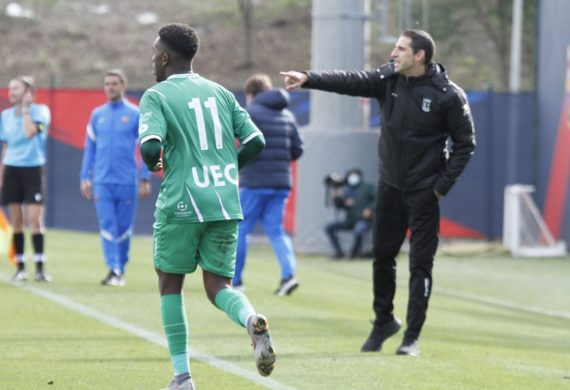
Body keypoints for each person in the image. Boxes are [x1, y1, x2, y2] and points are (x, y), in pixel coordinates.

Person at [282, 29, 476, 356]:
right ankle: (383, 321)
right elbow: (350, 80)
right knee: (382, 257)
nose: (393, 54)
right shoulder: (388, 80)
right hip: (390, 186)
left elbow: (465, 146)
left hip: (425, 192)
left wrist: (440, 187)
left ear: (420, 56)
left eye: (401, 49)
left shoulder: (448, 95)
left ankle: (411, 337)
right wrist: (308, 77)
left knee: (420, 265)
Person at [138, 23, 275, 389]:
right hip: (225, 201)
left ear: (165, 57)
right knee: (218, 286)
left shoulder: (156, 95)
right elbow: (256, 141)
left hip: (182, 201)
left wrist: (153, 164)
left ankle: (182, 376)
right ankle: (250, 320)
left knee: (170, 283)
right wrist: (228, 168)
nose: (152, 59)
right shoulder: (222, 93)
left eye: (154, 52)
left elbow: (151, 147)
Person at [232, 73, 303, 296]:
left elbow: (239, 143)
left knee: (240, 229)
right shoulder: (288, 115)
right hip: (281, 182)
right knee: (276, 231)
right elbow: (297, 150)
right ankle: (288, 275)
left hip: (254, 181)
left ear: (251, 94)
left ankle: (235, 281)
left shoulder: (249, 113)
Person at [79, 69, 151, 287]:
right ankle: (114, 269)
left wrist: (145, 177)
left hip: (127, 181)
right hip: (102, 181)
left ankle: (120, 266)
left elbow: (146, 148)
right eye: (106, 84)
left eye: (114, 83)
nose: (109, 87)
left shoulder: (135, 114)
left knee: (123, 228)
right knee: (108, 225)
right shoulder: (97, 115)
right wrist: (85, 176)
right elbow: (89, 149)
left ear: (123, 86)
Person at [0, 76, 51, 283]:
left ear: (27, 91)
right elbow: (6, 146)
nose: (10, 92)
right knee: (17, 221)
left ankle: (39, 268)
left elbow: (30, 133)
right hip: (12, 170)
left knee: (34, 220)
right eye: (9, 89)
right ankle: (20, 268)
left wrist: (26, 109)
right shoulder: (4, 115)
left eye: (15, 89)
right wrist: (1, 175)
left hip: (32, 170)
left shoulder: (41, 112)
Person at [324, 168, 375, 259]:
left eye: (354, 175)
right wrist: (335, 195)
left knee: (358, 229)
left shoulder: (367, 187)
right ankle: (339, 252)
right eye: (350, 175)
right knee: (329, 228)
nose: (353, 177)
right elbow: (341, 205)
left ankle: (354, 253)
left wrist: (370, 209)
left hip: (364, 219)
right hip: (350, 220)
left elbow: (376, 199)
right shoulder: (347, 189)